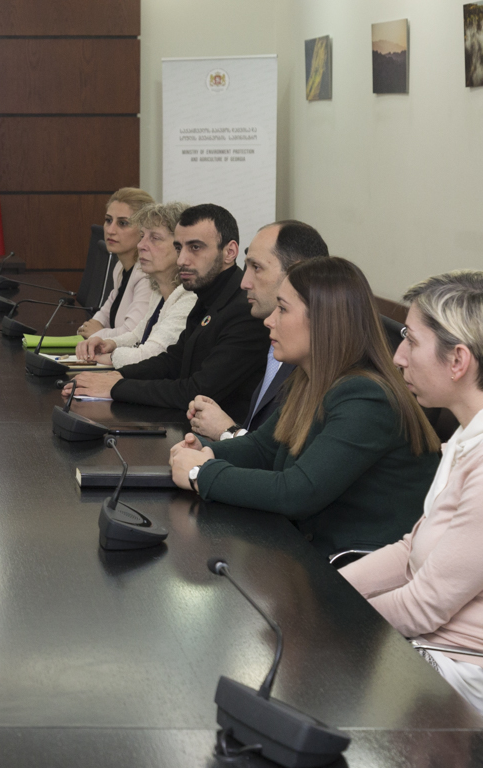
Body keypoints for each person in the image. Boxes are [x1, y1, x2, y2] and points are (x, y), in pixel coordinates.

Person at [169, 258, 440, 555]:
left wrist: (202, 473)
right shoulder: (310, 378)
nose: (269, 320)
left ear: (324, 321)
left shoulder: (367, 397)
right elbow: (264, 448)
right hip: (308, 549)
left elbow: (297, 492)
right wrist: (206, 451)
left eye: (282, 309)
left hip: (354, 566)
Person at [341, 271, 483, 713]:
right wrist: (330, 595)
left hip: (460, 669)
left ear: (457, 361)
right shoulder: (466, 437)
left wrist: (335, 623)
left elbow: (425, 606)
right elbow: (412, 549)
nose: (398, 357)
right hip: (432, 644)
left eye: (411, 341)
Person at [65, 204, 269, 419]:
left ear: (229, 252)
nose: (182, 260)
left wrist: (116, 387)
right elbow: (173, 361)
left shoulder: (245, 310)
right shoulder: (208, 294)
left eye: (195, 247)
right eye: (179, 248)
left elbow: (197, 391)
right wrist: (118, 376)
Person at [186, 221, 330, 440]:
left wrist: (227, 431)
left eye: (257, 267)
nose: (244, 283)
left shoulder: (315, 362)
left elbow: (283, 453)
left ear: (297, 272)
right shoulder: (282, 342)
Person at [73, 202, 196, 368]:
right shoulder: (159, 293)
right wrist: (108, 343)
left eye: (155, 238)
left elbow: (151, 355)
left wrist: (111, 356)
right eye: (142, 236)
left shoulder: (190, 298)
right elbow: (138, 335)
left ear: (181, 247)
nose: (140, 245)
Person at [76, 188, 155, 341]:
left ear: (144, 231)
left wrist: (97, 334)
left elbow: (132, 335)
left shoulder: (148, 275)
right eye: (108, 220)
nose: (110, 230)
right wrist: (91, 326)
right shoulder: (120, 267)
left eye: (123, 223)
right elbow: (106, 311)